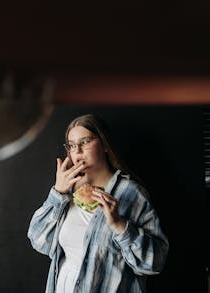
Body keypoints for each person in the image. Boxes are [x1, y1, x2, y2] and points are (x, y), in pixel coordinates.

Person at [28, 114, 168, 292]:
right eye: (71, 145)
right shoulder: (67, 190)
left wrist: (120, 226)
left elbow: (154, 263)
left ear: (105, 145)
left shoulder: (131, 193)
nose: (77, 150)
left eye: (85, 142)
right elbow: (38, 240)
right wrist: (57, 193)